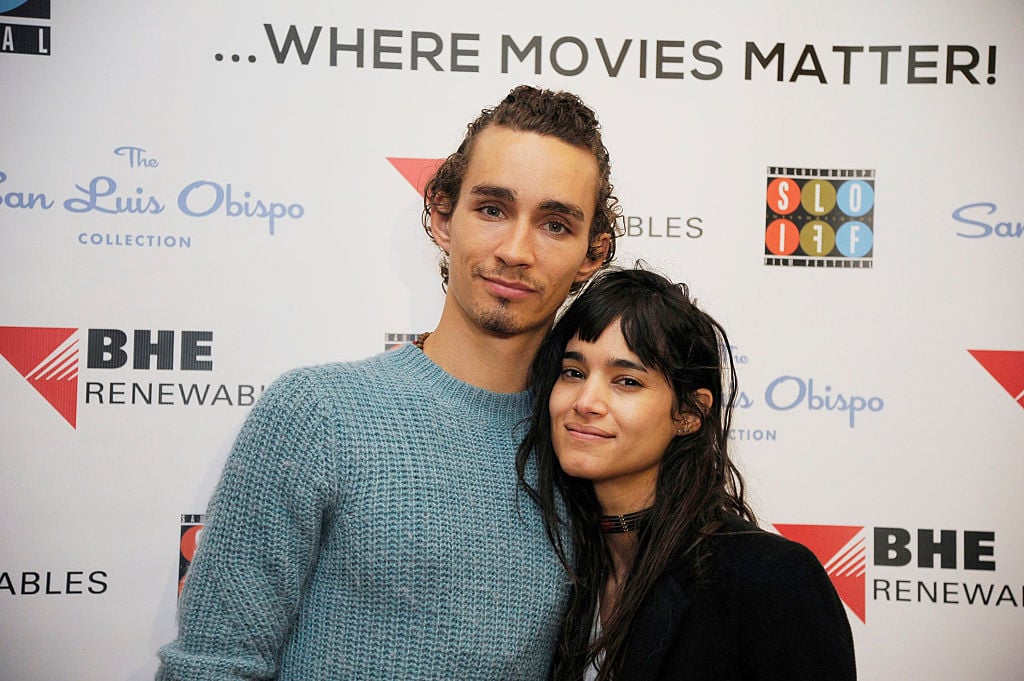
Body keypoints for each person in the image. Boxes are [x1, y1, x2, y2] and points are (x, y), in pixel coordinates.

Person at [156, 85, 620, 680]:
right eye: (492, 209)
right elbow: (213, 664)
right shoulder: (317, 414)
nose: (516, 250)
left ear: (592, 253)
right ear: (442, 216)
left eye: (555, 224)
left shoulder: (585, 443)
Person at [517, 266, 857, 681]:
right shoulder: (562, 570)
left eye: (626, 381)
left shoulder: (769, 578)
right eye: (574, 372)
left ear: (690, 414)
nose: (586, 401)